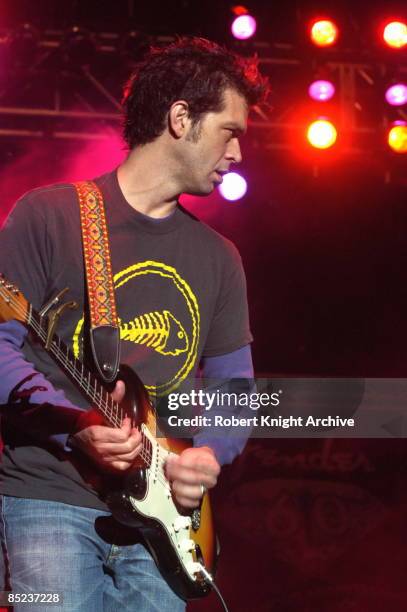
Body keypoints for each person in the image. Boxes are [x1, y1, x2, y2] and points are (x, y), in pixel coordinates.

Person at [0, 37, 267, 611]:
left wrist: (209, 454)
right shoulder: (50, 215)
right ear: (181, 119)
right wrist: (73, 424)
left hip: (164, 523)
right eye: (231, 130)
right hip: (51, 497)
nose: (239, 153)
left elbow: (235, 392)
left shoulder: (219, 257)